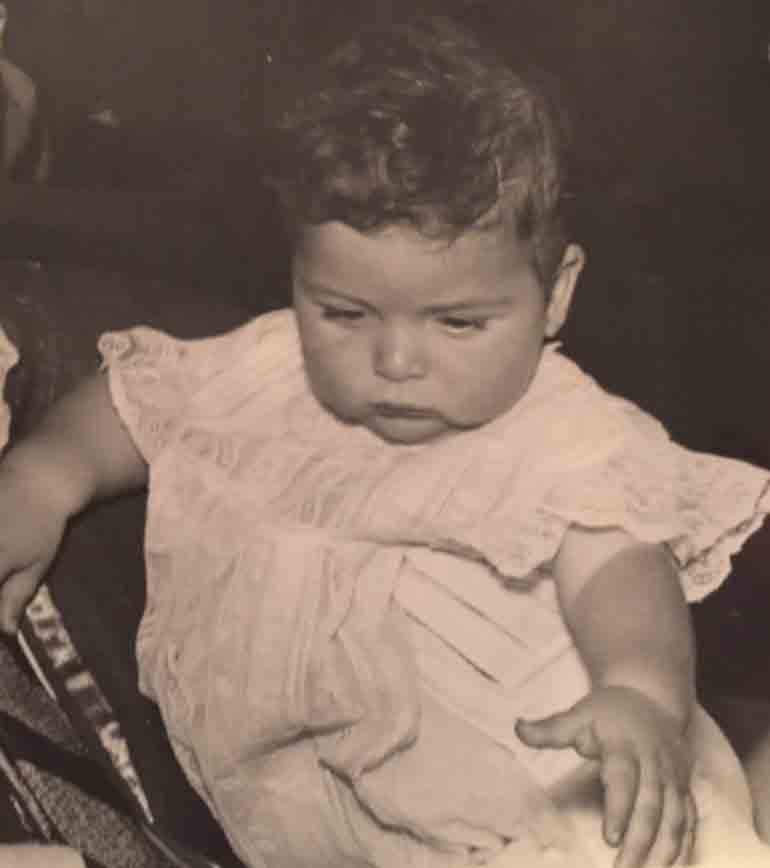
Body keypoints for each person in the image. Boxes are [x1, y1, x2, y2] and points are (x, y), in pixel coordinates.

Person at [0, 12, 768, 868]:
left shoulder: (559, 424)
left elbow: (622, 564)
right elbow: (131, 402)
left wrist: (641, 693)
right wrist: (42, 478)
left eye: (458, 322)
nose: (395, 361)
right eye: (343, 312)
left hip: (569, 806)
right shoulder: (265, 368)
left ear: (555, 296)